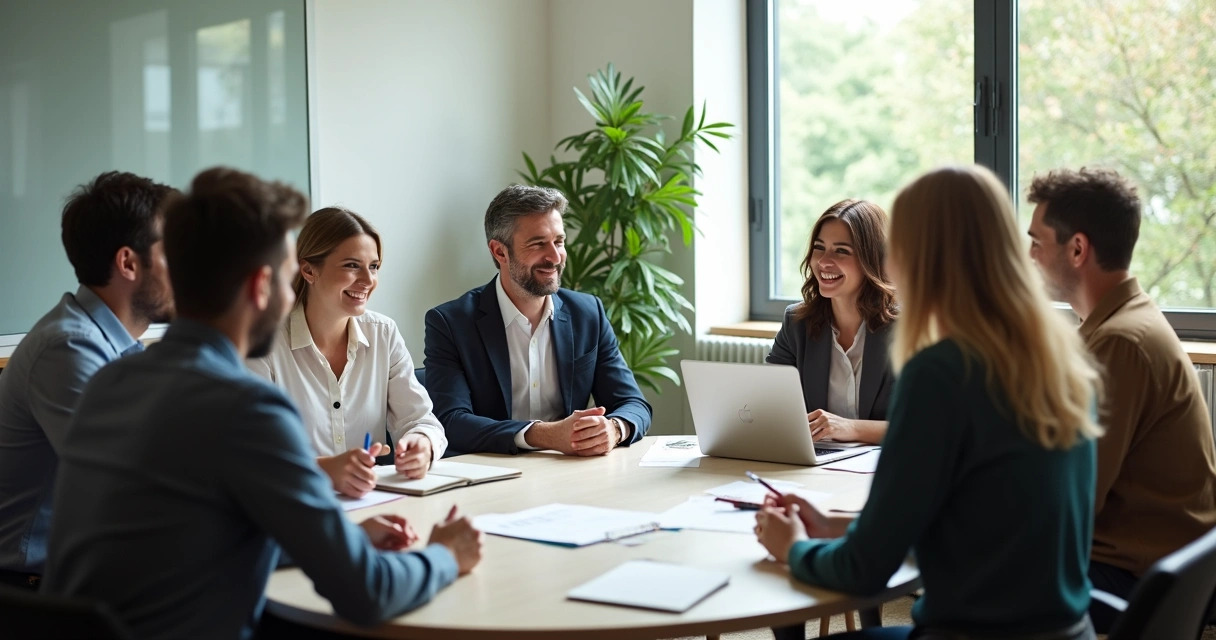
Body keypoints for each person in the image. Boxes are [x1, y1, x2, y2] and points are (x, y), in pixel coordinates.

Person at [43, 168, 483, 639]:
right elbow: (366, 593)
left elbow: (191, 539)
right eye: (290, 277)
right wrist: (444, 555)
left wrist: (349, 537)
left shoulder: (112, 381)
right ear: (261, 287)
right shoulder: (245, 407)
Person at [755, 165, 1102, 640]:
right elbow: (971, 524)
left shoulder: (942, 372)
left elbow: (864, 572)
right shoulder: (1059, 359)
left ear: (921, 254)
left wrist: (794, 548)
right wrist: (833, 525)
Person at [1026, 167, 1216, 633]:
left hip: (1127, 579)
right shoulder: (1126, 323)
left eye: (1036, 242)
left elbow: (1072, 502)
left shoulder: (1120, 344)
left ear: (1077, 249)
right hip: (1154, 565)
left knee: (966, 581)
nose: (1028, 256)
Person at [0, 171, 175, 591]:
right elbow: (135, 486)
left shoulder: (117, 347)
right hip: (38, 593)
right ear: (128, 262)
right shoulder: (68, 348)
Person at [424, 184, 652, 456]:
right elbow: (450, 421)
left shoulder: (588, 313)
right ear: (500, 252)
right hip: (494, 471)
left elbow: (632, 402)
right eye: (538, 243)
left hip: (569, 470)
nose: (555, 257)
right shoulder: (451, 323)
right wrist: (544, 435)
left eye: (559, 241)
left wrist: (614, 428)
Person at [249, 207, 445, 498]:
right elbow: (251, 456)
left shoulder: (383, 333)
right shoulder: (262, 343)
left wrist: (421, 444)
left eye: (374, 266)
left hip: (371, 505)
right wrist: (326, 470)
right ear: (308, 270)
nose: (368, 280)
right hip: (287, 510)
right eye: (352, 265)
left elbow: (422, 420)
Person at [767, 199, 897, 444]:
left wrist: (850, 428)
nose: (824, 261)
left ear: (873, 260)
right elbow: (771, 407)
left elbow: (926, 425)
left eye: (841, 251)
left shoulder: (909, 330)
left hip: (884, 467)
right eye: (819, 247)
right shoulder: (796, 324)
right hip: (816, 464)